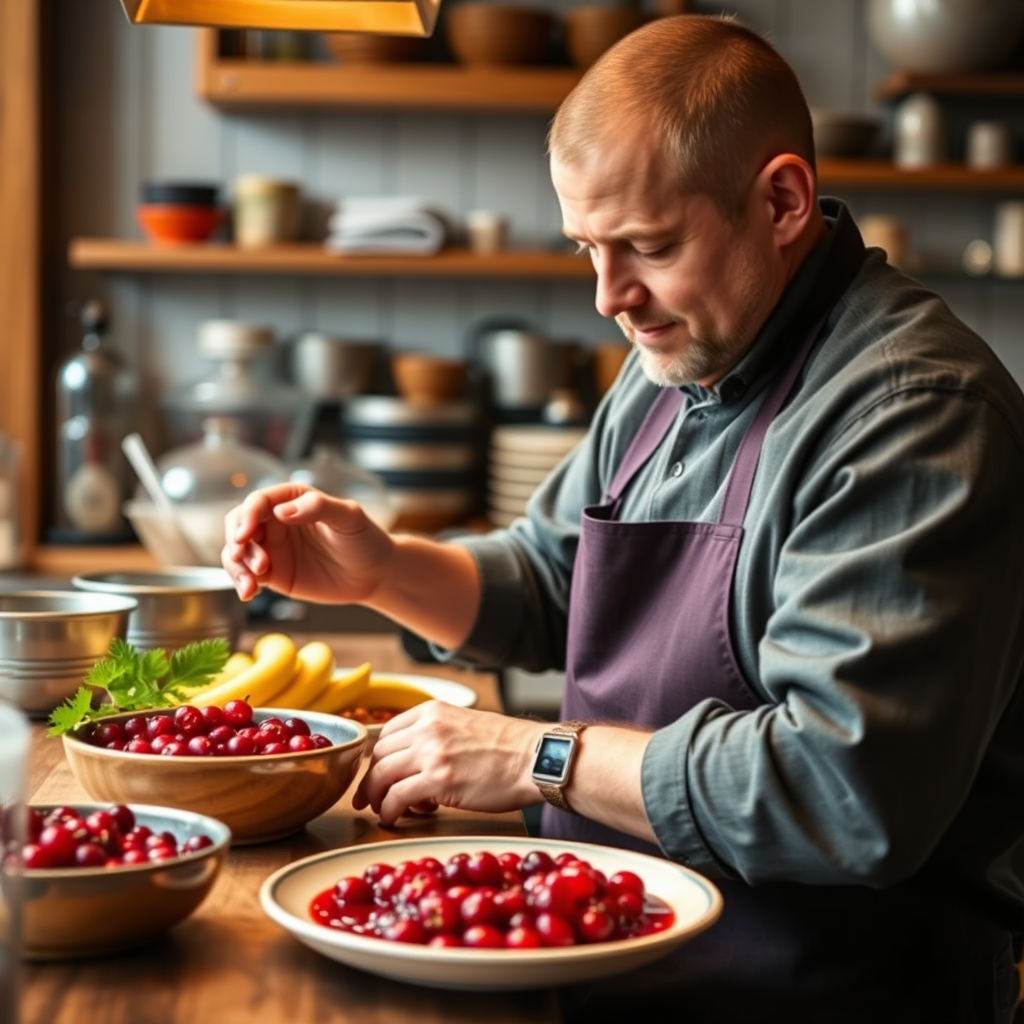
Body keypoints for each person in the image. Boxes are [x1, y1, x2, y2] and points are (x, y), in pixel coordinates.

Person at [221, 14, 1024, 1023]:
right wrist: (381, 570)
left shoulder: (913, 412)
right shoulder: (677, 359)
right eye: (586, 248)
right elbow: (557, 580)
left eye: (647, 245)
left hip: (820, 995)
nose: (607, 296)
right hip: (612, 965)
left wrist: (532, 754)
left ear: (781, 200)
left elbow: (842, 789)